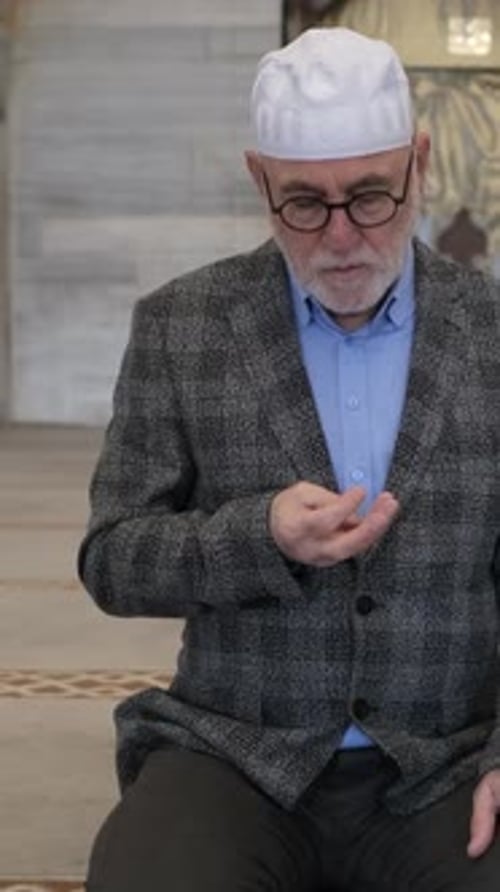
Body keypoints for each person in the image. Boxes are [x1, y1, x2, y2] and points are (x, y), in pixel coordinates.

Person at [78, 26, 500, 892]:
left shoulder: (490, 330)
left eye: (371, 196)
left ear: (420, 165)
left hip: (448, 761)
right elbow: (113, 559)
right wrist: (259, 537)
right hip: (234, 755)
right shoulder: (183, 325)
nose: (340, 236)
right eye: (304, 203)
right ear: (258, 180)